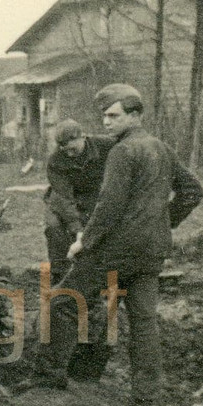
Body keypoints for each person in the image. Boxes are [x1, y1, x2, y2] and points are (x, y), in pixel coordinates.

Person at [16, 84, 203, 406]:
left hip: (115, 251)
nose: (106, 122)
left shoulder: (121, 152)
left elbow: (109, 205)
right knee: (144, 322)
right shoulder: (160, 148)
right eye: (104, 116)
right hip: (151, 251)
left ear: (135, 116)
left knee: (63, 301)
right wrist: (161, 223)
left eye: (113, 115)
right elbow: (192, 191)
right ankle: (147, 402)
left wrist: (83, 242)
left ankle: (48, 380)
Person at [43, 119, 117, 284]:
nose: (69, 155)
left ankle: (102, 274)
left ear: (83, 137)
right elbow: (64, 197)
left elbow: (129, 148)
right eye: (65, 151)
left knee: (100, 231)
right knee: (54, 227)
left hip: (94, 196)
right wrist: (78, 230)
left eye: (73, 150)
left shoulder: (105, 145)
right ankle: (60, 277)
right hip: (62, 200)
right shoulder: (55, 161)